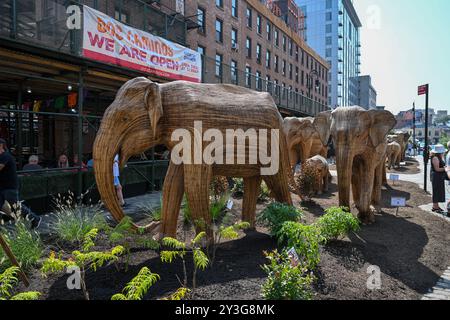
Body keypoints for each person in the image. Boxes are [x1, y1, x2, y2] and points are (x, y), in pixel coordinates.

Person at [0, 138, 41, 228]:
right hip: (3, 187)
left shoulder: (5, 156)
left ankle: (34, 218)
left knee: (16, 206)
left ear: (1, 146)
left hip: (9, 187)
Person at [430, 144, 447, 214]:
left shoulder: (438, 157)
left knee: (438, 190)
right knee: (436, 191)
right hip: (436, 176)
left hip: (438, 176)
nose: (444, 152)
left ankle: (436, 206)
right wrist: (446, 168)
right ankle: (434, 207)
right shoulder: (435, 158)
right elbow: (437, 169)